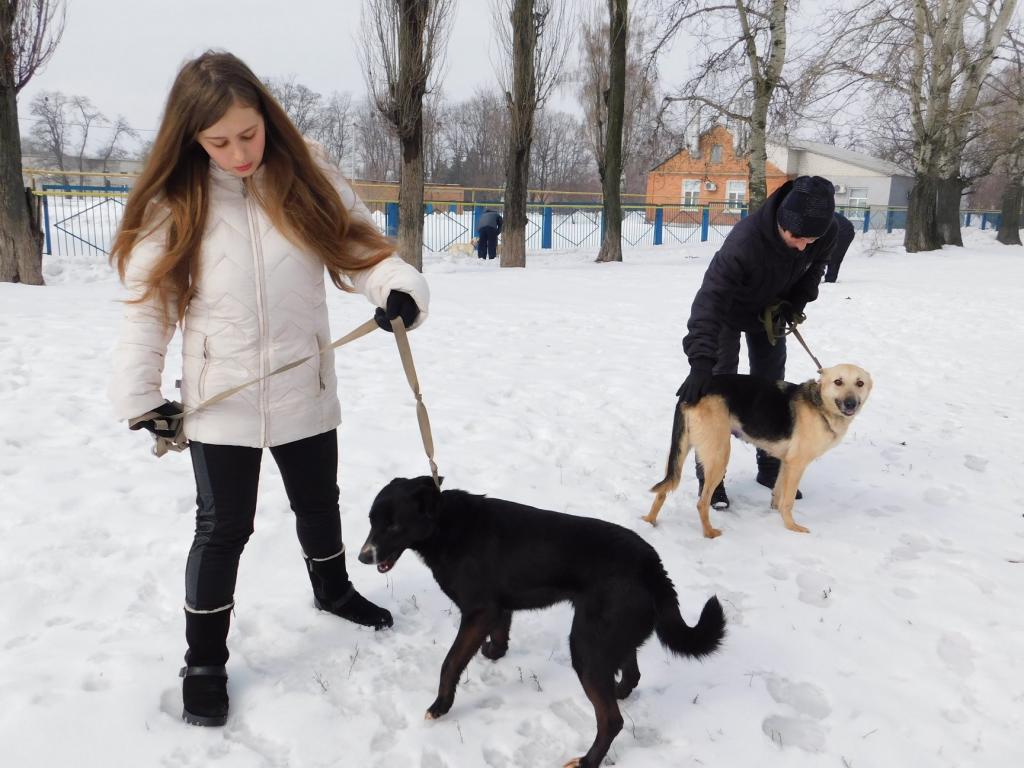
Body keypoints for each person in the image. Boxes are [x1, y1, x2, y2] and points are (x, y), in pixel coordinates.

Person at [107, 51, 430, 729]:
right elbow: (150, 306)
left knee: (319, 501)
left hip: (302, 380)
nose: (238, 153)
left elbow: (357, 249)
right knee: (223, 528)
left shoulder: (305, 171)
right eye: (219, 141)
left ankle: (333, 589)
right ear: (192, 138)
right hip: (221, 397)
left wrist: (394, 286)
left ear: (267, 118)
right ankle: (204, 661)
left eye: (248, 134)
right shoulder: (177, 199)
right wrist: (140, 395)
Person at [676, 176, 837, 509]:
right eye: (797, 237)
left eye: (810, 240)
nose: (803, 246)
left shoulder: (825, 232)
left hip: (769, 313)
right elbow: (711, 299)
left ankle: (770, 466)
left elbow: (815, 268)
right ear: (781, 223)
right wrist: (701, 361)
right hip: (727, 313)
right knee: (719, 391)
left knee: (771, 388)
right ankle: (711, 480)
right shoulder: (746, 242)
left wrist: (796, 301)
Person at [824, 212, 856, 282]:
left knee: (834, 257)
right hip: (838, 230)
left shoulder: (818, 215)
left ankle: (830, 281)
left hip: (845, 231)